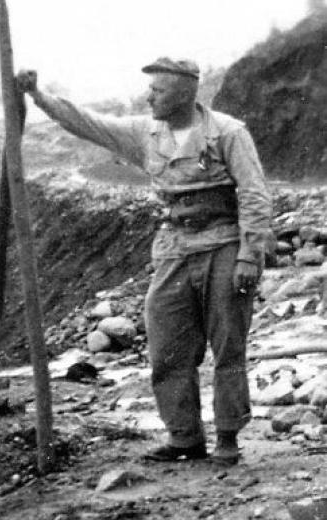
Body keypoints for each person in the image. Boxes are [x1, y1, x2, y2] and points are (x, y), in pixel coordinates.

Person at [15, 58, 273, 465]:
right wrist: (38, 96)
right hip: (174, 248)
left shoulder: (228, 132)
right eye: (149, 90)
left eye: (159, 90)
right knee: (166, 344)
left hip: (223, 243)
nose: (149, 97)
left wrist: (249, 254)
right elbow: (87, 123)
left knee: (228, 345)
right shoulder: (144, 132)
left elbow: (255, 193)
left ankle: (228, 437)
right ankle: (185, 438)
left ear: (186, 93)